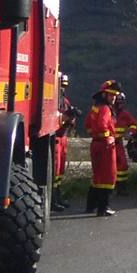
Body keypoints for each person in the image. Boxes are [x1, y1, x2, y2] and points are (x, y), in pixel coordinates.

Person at [84, 81, 120, 217]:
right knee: (109, 177)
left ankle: (90, 206)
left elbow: (88, 124)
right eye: (111, 95)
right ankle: (103, 208)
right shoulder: (105, 108)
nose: (114, 98)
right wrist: (108, 137)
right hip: (106, 147)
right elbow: (102, 124)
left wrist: (94, 135)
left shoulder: (95, 107)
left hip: (95, 144)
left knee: (97, 176)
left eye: (115, 95)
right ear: (104, 94)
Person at [51, 75, 78, 212]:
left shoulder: (64, 101)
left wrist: (72, 117)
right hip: (56, 137)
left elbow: (68, 119)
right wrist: (66, 117)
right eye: (61, 85)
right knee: (54, 171)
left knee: (60, 172)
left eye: (64, 86)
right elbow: (54, 119)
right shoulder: (52, 100)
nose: (62, 88)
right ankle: (52, 200)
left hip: (63, 138)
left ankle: (58, 196)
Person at [112, 91, 137, 195]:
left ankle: (121, 188)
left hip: (118, 143)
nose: (120, 104)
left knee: (122, 165)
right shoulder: (108, 112)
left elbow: (133, 124)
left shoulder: (125, 114)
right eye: (118, 102)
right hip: (107, 144)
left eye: (121, 102)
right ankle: (108, 188)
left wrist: (130, 133)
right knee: (109, 166)